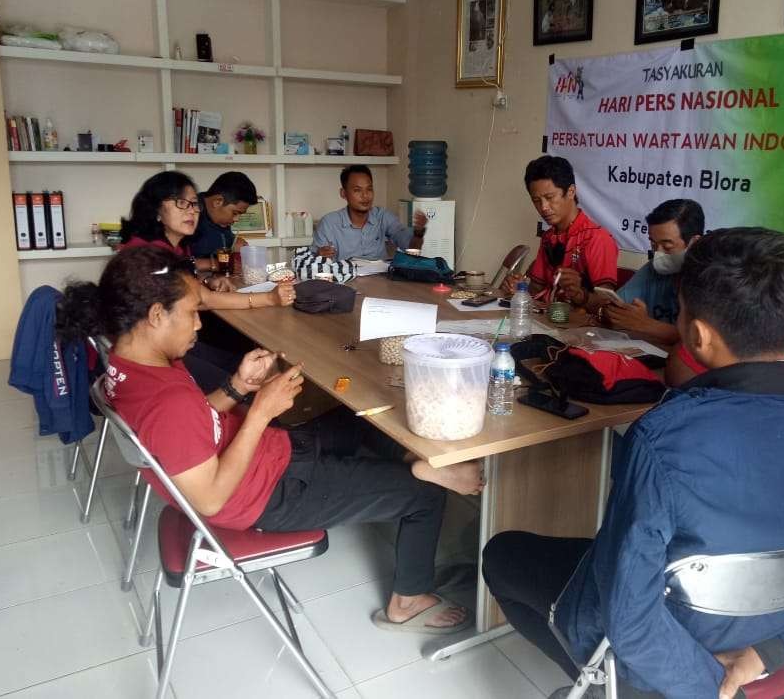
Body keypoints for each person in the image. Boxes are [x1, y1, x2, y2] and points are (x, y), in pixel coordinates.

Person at [482, 227, 784, 699]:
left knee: (502, 553)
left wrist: (710, 688)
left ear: (699, 334)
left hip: (673, 651)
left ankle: (606, 686)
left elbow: (629, 613)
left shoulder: (665, 439)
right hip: (780, 631)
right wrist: (769, 654)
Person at [58, 246, 487, 634]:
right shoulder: (165, 400)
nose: (199, 322)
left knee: (356, 417)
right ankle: (407, 600)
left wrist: (238, 388)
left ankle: (417, 462)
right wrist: (261, 411)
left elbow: (189, 426)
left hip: (269, 457)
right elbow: (208, 498)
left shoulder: (128, 365)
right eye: (192, 312)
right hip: (270, 494)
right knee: (425, 498)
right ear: (155, 315)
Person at [120, 170, 292, 309]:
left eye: (194, 204)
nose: (192, 211)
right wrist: (270, 298)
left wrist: (208, 280)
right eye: (181, 203)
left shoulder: (177, 246)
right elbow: (203, 299)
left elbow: (185, 279)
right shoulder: (148, 253)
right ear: (156, 208)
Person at [504, 155, 618, 306]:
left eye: (550, 197)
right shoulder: (549, 236)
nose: (543, 207)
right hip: (547, 320)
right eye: (536, 200)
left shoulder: (597, 238)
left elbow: (607, 303)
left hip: (580, 326)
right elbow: (536, 288)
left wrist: (580, 294)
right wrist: (519, 288)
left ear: (570, 192)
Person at [593, 198, 703, 347]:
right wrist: (613, 312)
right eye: (653, 243)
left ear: (694, 242)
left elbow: (703, 342)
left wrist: (646, 325)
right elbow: (617, 305)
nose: (658, 253)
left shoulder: (711, 280)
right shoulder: (652, 269)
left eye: (667, 246)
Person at [311, 165, 426, 261]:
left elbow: (411, 249)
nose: (365, 196)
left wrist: (418, 233)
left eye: (369, 189)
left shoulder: (382, 216)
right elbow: (311, 262)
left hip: (380, 283)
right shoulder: (329, 223)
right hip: (346, 283)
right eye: (357, 190)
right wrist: (318, 255)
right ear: (343, 193)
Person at [187, 170, 258, 263]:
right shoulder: (187, 214)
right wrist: (228, 252)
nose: (236, 219)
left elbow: (223, 240)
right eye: (235, 213)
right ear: (217, 202)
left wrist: (234, 243)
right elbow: (175, 264)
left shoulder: (220, 218)